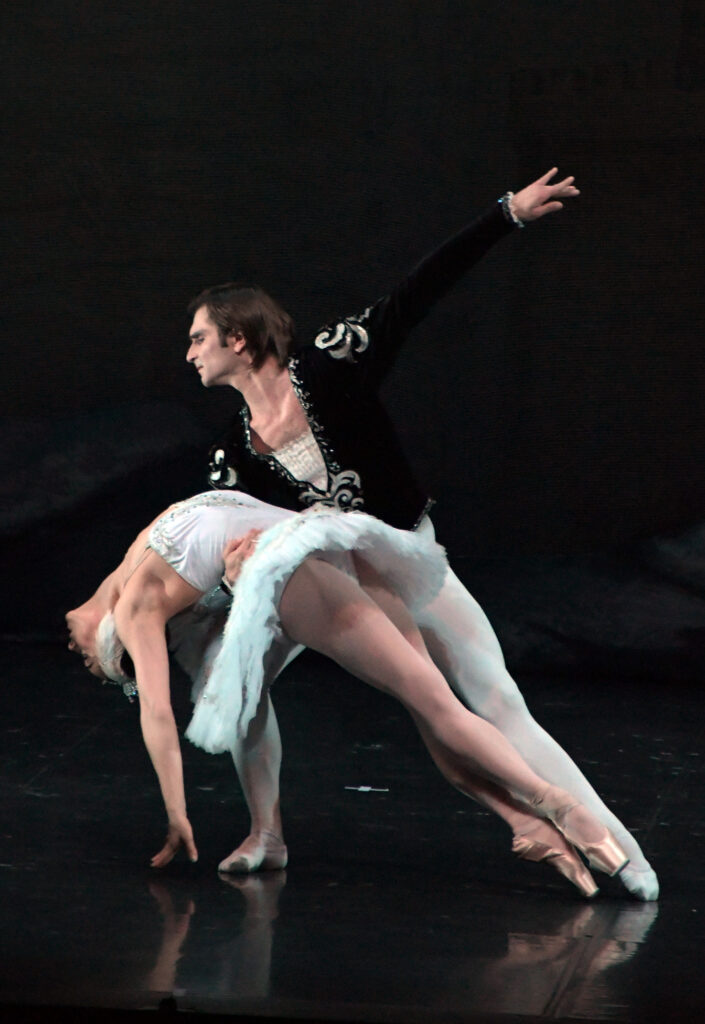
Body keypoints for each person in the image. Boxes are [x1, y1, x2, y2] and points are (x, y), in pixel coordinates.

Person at [185, 170, 659, 901]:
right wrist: (228, 569)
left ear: (239, 339)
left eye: (199, 338)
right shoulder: (235, 447)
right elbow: (222, 523)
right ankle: (267, 833)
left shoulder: (330, 364)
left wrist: (506, 215)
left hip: (404, 559)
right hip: (327, 583)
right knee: (240, 681)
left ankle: (619, 852)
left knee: (492, 698)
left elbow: (415, 293)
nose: (190, 353)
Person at [66, 490, 631, 898]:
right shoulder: (142, 557)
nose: (90, 659)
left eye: (113, 665)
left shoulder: (135, 600)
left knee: (434, 706)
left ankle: (559, 809)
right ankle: (527, 826)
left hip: (299, 572)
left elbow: (158, 713)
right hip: (337, 550)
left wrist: (177, 813)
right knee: (414, 707)